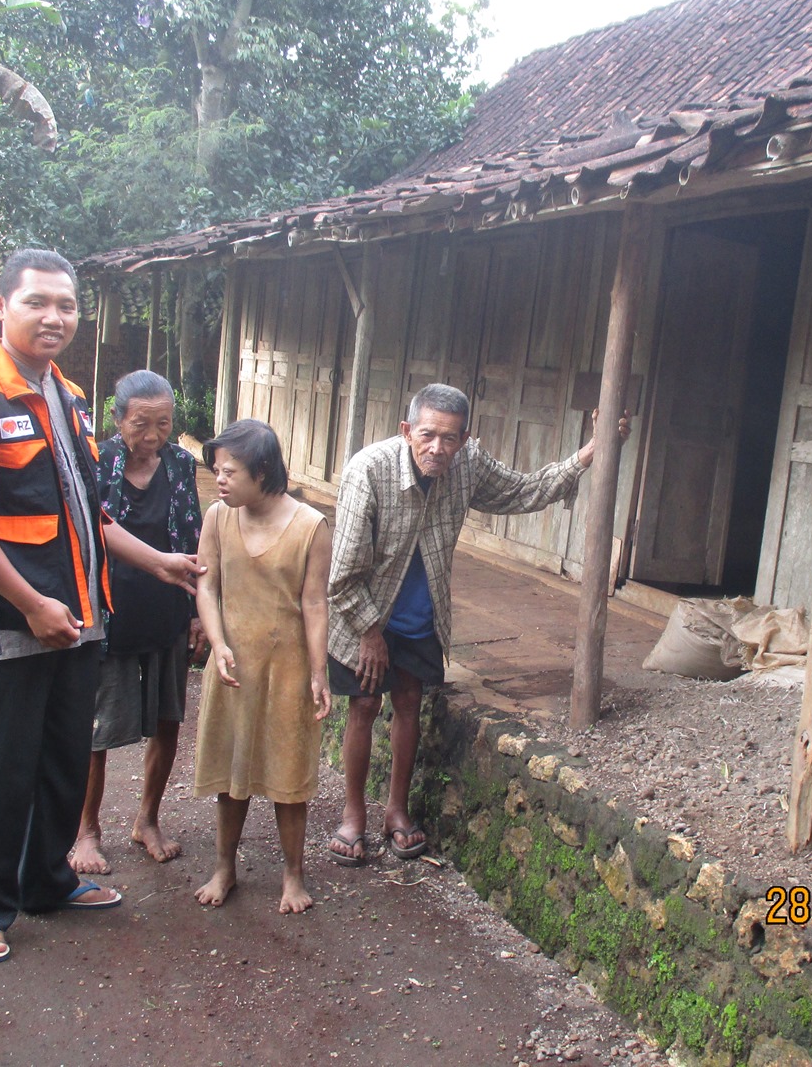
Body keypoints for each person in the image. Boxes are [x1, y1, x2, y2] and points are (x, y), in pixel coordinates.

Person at [0, 248, 203, 964]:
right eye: (37, 302)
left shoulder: (67, 396)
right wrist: (30, 603)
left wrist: (160, 561)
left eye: (67, 305)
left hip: (77, 623)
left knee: (59, 761)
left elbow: (89, 515)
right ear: (1, 305)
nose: (54, 317)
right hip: (4, 625)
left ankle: (44, 880)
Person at [326, 384, 626, 865]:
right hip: (363, 611)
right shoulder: (368, 471)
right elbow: (342, 576)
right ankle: (353, 814)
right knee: (363, 704)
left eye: (450, 438)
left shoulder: (469, 463)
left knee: (409, 701)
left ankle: (396, 812)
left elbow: (523, 490)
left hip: (421, 614)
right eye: (427, 435)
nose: (437, 448)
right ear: (407, 431)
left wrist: (590, 452)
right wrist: (369, 631)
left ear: (464, 439)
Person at [192, 419, 333, 914]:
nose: (219, 479)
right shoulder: (217, 517)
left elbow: (315, 603)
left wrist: (319, 672)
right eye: (216, 470)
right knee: (232, 773)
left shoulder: (310, 526)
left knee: (288, 777)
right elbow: (207, 585)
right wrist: (217, 643)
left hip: (287, 669)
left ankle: (293, 876)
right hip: (233, 666)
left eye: (229, 471)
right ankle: (224, 867)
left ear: (263, 471)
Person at [70, 371, 205, 877]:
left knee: (168, 720)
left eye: (163, 424)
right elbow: (84, 537)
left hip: (166, 612)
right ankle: (86, 830)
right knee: (97, 729)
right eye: (141, 424)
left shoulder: (180, 464)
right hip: (108, 616)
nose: (153, 436)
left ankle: (147, 820)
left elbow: (193, 537)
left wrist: (197, 613)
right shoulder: (95, 462)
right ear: (116, 419)